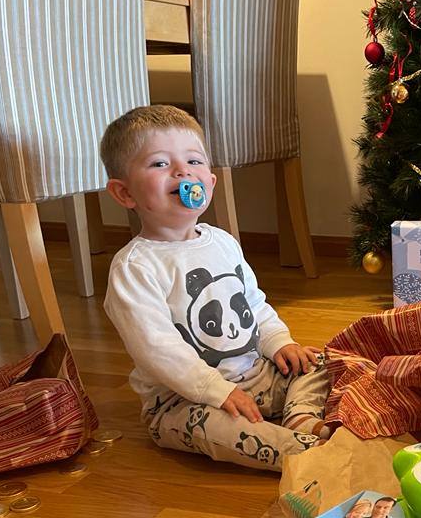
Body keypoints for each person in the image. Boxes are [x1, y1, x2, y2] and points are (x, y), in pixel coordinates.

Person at [102, 105, 332, 472]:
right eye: (160, 164)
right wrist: (217, 390)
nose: (182, 171)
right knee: (220, 430)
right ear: (125, 193)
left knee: (319, 360)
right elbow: (157, 349)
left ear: (210, 181)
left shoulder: (222, 242)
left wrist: (279, 342)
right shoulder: (135, 268)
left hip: (258, 375)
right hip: (185, 402)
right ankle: (308, 453)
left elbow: (253, 302)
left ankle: (300, 415)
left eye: (193, 161)